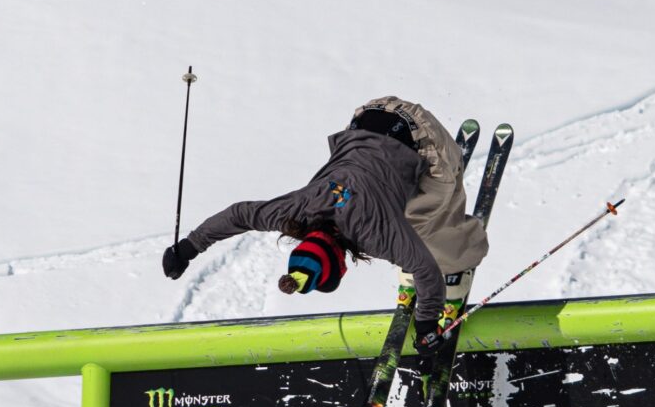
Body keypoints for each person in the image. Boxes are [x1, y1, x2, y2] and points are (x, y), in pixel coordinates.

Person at [162, 98, 488, 359]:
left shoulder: (374, 234)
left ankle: (456, 270)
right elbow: (239, 215)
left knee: (428, 222)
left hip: (422, 136)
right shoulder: (294, 213)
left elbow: (425, 269)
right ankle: (414, 250)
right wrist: (188, 248)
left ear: (340, 264)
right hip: (369, 115)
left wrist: (427, 324)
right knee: (404, 222)